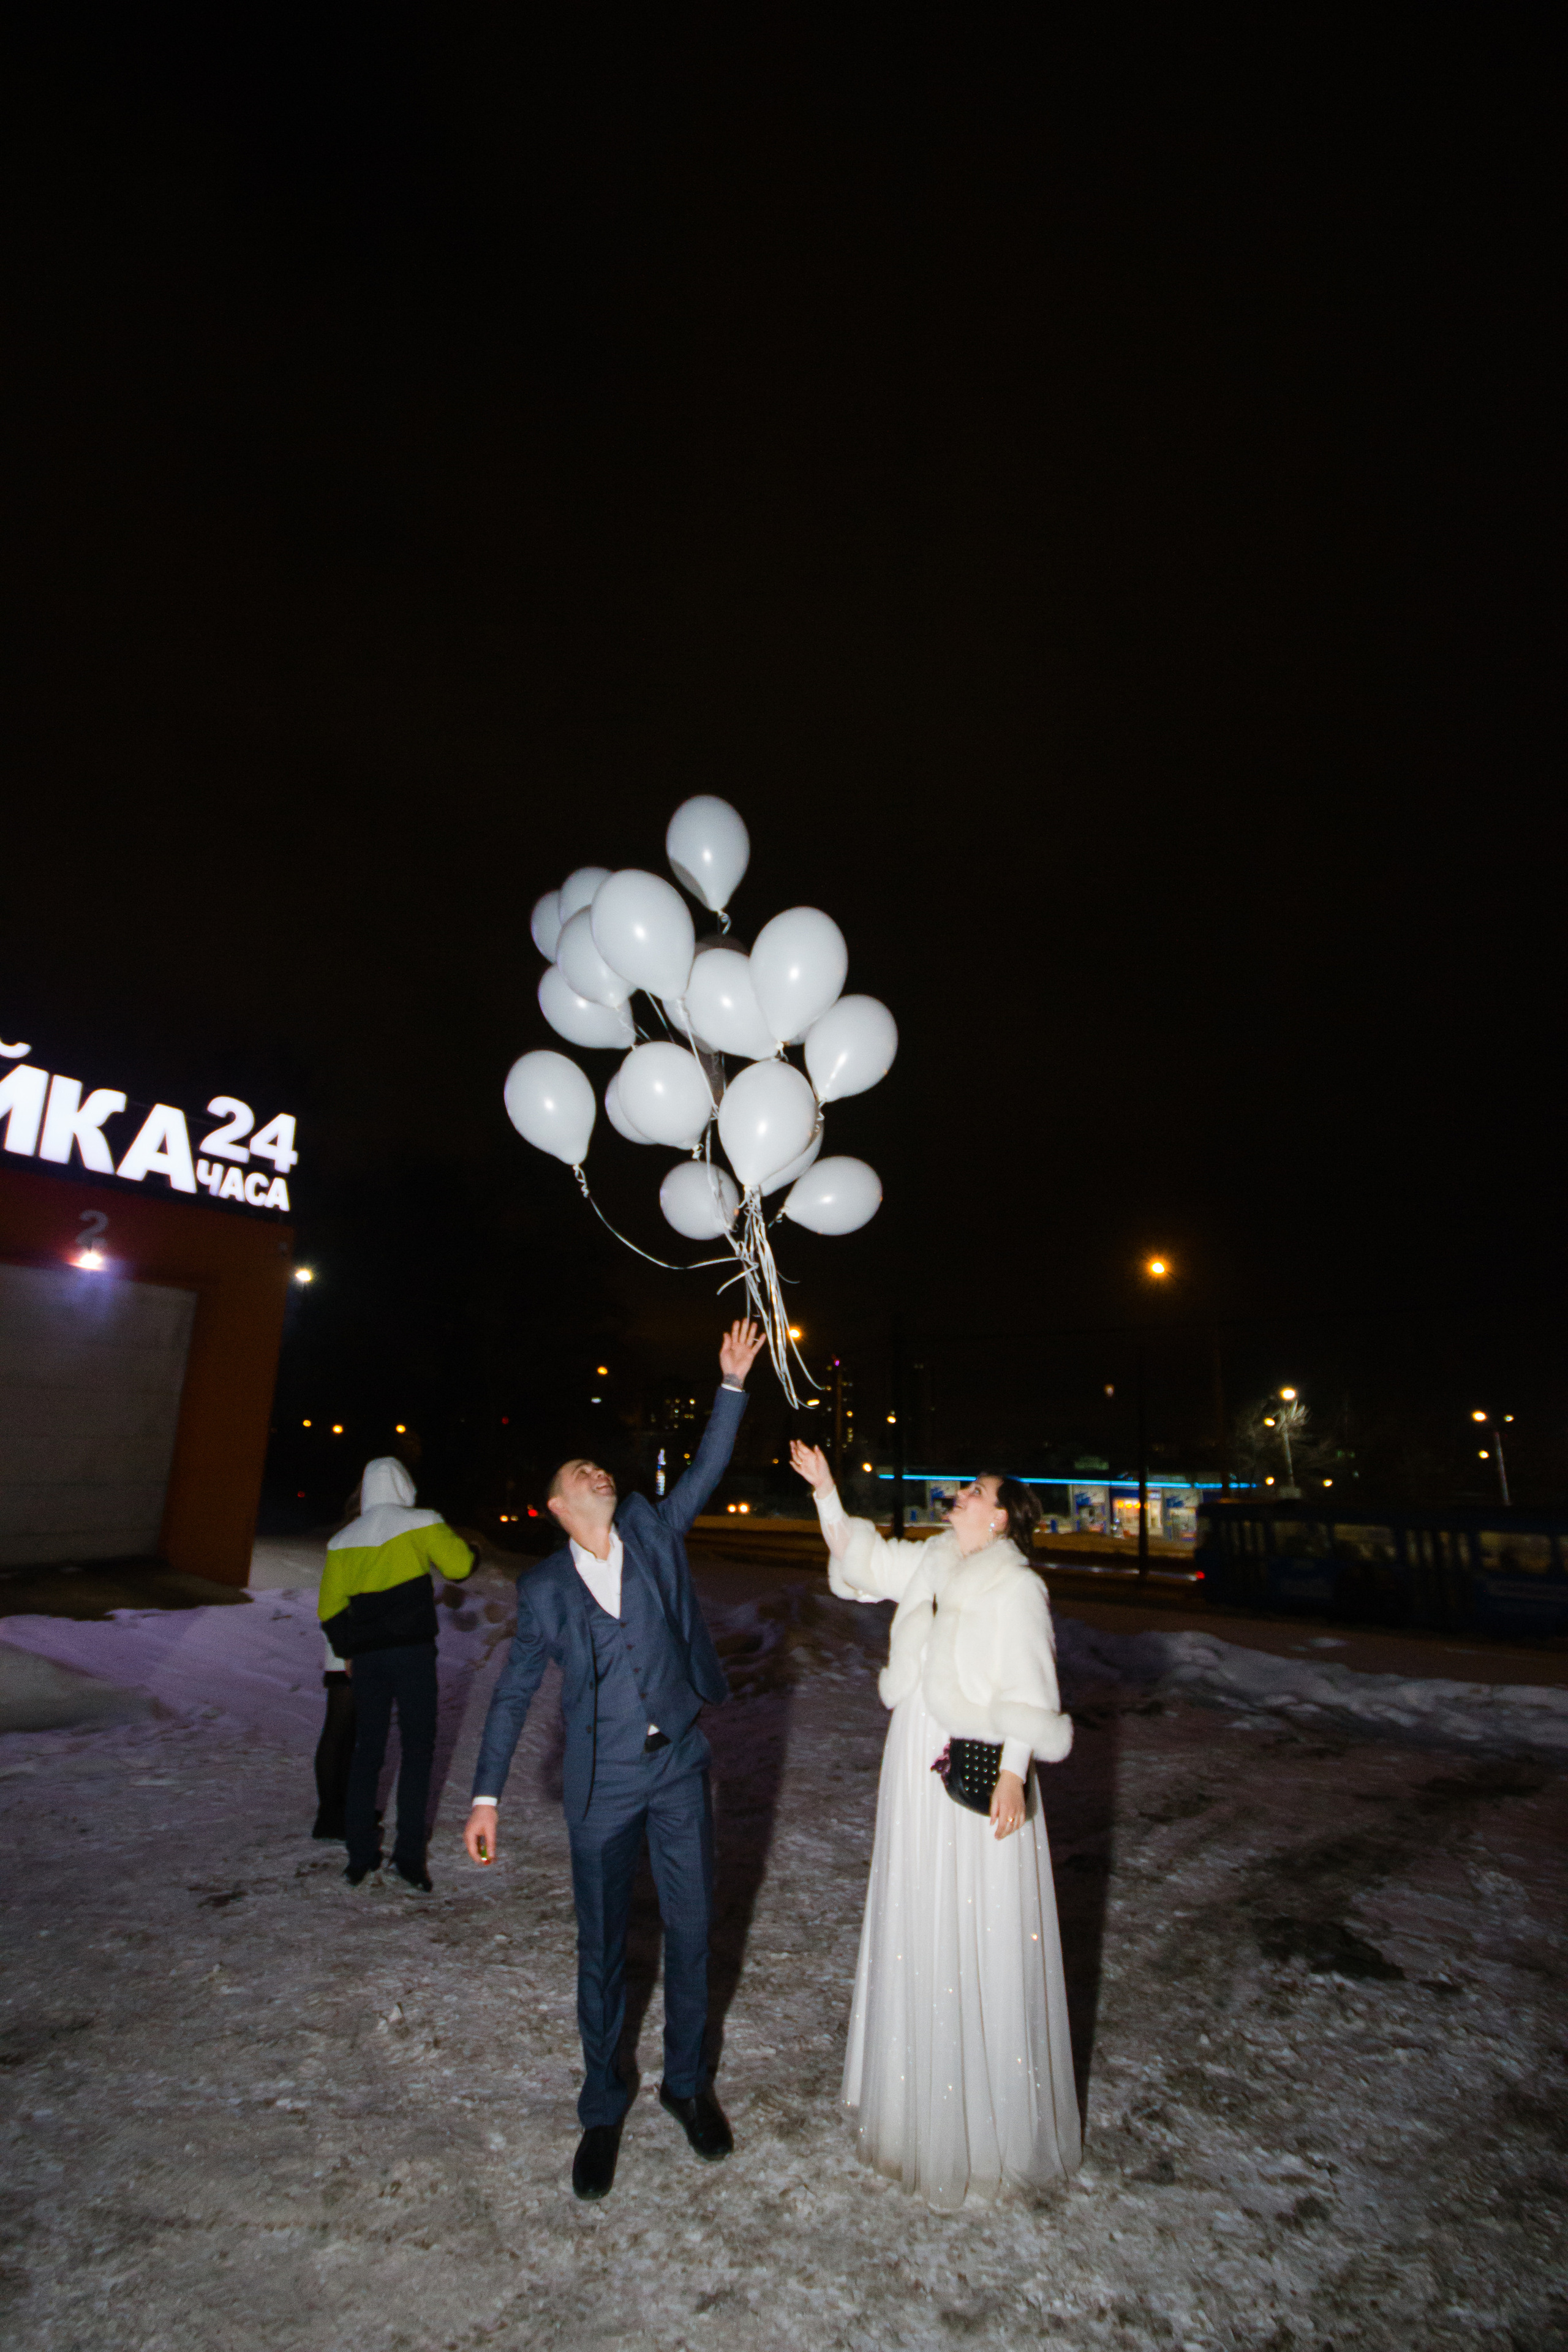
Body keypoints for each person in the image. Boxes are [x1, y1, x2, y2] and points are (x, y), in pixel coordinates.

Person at [464, 1317, 766, 2203]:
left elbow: (706, 1468)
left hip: (678, 1766)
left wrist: (732, 1385)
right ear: (557, 1508)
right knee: (600, 1951)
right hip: (602, 1789)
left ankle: (685, 2085)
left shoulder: (654, 1532)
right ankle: (603, 2107)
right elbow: (515, 1694)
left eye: (598, 1469)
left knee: (694, 1928)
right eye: (576, 1476)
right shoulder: (544, 1590)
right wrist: (485, 1797)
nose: (595, 1474)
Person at [790, 1442, 1082, 2211]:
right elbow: (862, 1560)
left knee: (977, 1919)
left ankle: (986, 2133)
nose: (957, 1494)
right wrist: (826, 1492)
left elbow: (1031, 1686)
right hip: (913, 1750)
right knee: (921, 1908)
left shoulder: (1016, 1586)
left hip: (977, 1767)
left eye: (974, 1490)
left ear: (1002, 1516)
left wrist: (1015, 1773)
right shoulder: (933, 1560)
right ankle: (916, 2105)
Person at [318, 1457, 477, 1891]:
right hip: (412, 1654)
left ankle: (359, 1856)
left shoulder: (343, 1540)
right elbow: (460, 1566)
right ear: (404, 1487)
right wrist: (471, 1551)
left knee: (367, 1751)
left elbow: (330, 1610)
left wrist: (350, 1649)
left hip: (368, 1660)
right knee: (418, 1749)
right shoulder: (421, 1521)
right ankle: (409, 1859)